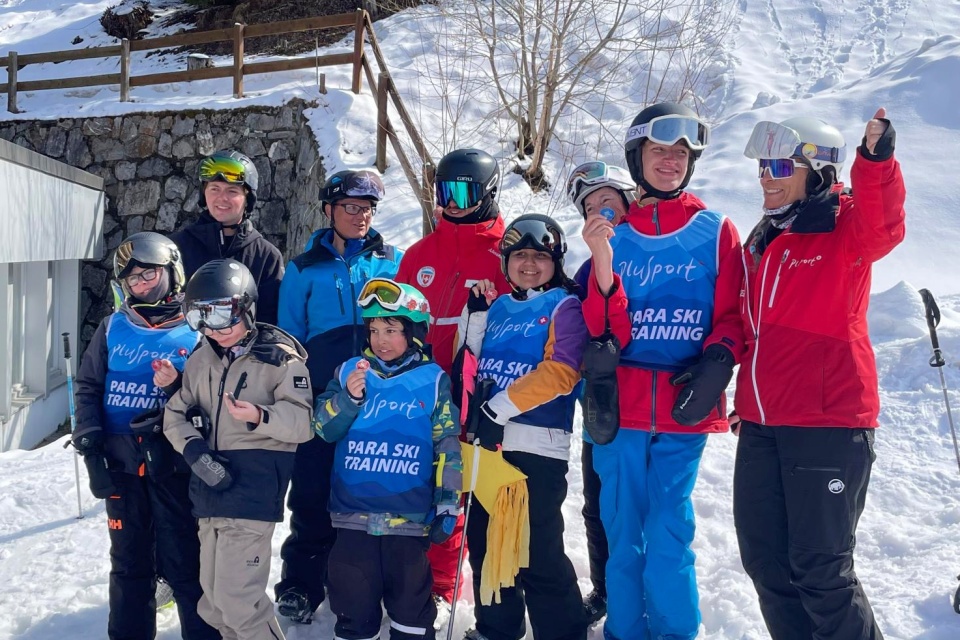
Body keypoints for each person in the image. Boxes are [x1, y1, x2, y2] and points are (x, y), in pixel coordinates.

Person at [732, 109, 904, 640]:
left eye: (782, 165)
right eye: (763, 165)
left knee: (821, 572)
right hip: (761, 425)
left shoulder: (843, 224)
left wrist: (874, 162)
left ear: (820, 171)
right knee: (767, 564)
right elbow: (750, 328)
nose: (767, 176)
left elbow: (883, 227)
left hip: (827, 423)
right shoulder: (763, 239)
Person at [580, 102, 744, 640]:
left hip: (683, 403)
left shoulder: (715, 231)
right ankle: (624, 631)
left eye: (680, 153)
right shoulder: (614, 233)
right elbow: (605, 327)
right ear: (637, 157)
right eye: (658, 150)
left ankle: (676, 633)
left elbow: (733, 314)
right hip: (620, 409)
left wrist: (719, 359)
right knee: (623, 531)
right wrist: (602, 260)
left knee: (669, 528)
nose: (670, 160)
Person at [70, 232, 218, 640]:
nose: (141, 284)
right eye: (132, 278)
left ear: (172, 272)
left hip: (172, 462)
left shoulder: (196, 329)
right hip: (120, 462)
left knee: (184, 559)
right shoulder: (112, 326)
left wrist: (174, 390)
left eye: (149, 274)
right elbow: (88, 386)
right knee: (129, 562)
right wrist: (90, 443)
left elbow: (208, 398)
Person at [274, 169, 403, 623]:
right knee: (311, 492)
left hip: (378, 402)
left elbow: (410, 328)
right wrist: (296, 396)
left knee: (371, 493)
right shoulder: (303, 268)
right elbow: (289, 340)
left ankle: (371, 583)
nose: (360, 215)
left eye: (367, 208)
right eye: (350, 207)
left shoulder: (393, 261)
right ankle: (300, 584)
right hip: (320, 401)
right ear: (328, 210)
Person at [162, 258, 314, 640]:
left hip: (252, 491)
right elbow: (175, 413)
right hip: (209, 489)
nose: (215, 329)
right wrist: (194, 452)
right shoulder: (201, 359)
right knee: (214, 604)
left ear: (246, 307)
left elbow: (303, 423)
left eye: (222, 316)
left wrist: (259, 415)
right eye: (201, 318)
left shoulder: (279, 359)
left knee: (239, 602)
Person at [458, 214, 589, 640]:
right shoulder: (498, 306)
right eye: (519, 256)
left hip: (537, 446)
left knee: (537, 550)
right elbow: (470, 365)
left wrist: (500, 408)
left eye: (539, 257)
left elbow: (562, 371)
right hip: (488, 445)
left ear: (556, 262)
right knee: (486, 543)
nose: (529, 264)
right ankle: (497, 628)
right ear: (506, 262)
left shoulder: (564, 306)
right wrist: (475, 317)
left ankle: (563, 631)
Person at [394, 148, 511, 620]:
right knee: (413, 482)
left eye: (464, 193)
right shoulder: (420, 254)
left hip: (473, 395)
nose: (451, 203)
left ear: (489, 192)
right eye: (443, 192)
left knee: (453, 487)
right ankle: (405, 575)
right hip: (418, 390)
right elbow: (396, 321)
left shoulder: (506, 252)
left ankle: (443, 585)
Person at [313, 277, 462, 640]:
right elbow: (322, 428)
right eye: (374, 330)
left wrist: (448, 502)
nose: (380, 339)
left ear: (414, 332)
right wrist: (347, 400)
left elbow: (447, 445)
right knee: (353, 613)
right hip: (353, 519)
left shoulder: (433, 380)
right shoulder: (350, 372)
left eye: (391, 330)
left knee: (411, 615)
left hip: (407, 521)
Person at [564, 161, 636, 625]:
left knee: (641, 509)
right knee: (596, 506)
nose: (599, 210)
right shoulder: (587, 268)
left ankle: (640, 591)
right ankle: (606, 590)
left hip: (648, 404)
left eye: (607, 199)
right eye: (590, 206)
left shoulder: (652, 252)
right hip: (600, 406)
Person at [169, 150, 284, 324]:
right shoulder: (176, 248)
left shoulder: (266, 256)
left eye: (232, 191)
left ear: (247, 198)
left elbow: (269, 322)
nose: (222, 198)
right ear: (204, 193)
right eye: (215, 189)